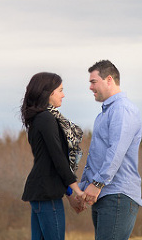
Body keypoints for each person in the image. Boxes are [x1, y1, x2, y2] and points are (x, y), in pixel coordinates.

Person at [77, 60, 142, 240]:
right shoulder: (106, 113)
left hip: (117, 195)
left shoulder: (123, 109)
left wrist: (97, 184)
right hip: (104, 194)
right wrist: (83, 189)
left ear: (108, 80)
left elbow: (117, 151)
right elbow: (96, 158)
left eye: (93, 82)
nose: (90, 87)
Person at [21, 72, 86, 240]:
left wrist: (69, 193)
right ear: (49, 93)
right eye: (60, 90)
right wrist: (76, 190)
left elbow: (50, 162)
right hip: (46, 193)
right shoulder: (46, 118)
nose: (63, 95)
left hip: (43, 192)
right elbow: (58, 159)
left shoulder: (41, 118)